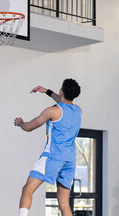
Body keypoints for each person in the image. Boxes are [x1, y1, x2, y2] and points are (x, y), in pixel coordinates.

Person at [14, 78, 82, 216]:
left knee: (28, 189)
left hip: (53, 156)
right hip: (70, 159)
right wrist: (47, 91)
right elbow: (64, 102)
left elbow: (29, 127)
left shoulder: (53, 111)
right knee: (64, 203)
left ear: (62, 91)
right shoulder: (78, 110)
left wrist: (20, 123)